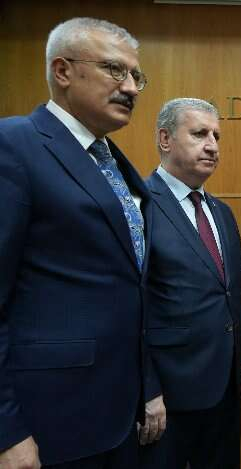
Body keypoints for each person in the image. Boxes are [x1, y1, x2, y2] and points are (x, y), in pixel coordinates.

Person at [0, 17, 150, 469]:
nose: (131, 87)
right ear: (62, 71)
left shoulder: (112, 160)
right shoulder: (14, 145)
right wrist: (7, 431)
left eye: (136, 75)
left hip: (117, 414)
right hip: (46, 420)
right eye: (115, 70)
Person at [139, 98, 241, 469]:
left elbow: (237, 290)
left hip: (226, 384)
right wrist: (146, 389)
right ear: (165, 139)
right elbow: (129, 306)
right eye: (199, 134)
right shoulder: (138, 205)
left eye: (216, 136)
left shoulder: (222, 212)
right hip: (168, 393)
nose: (212, 146)